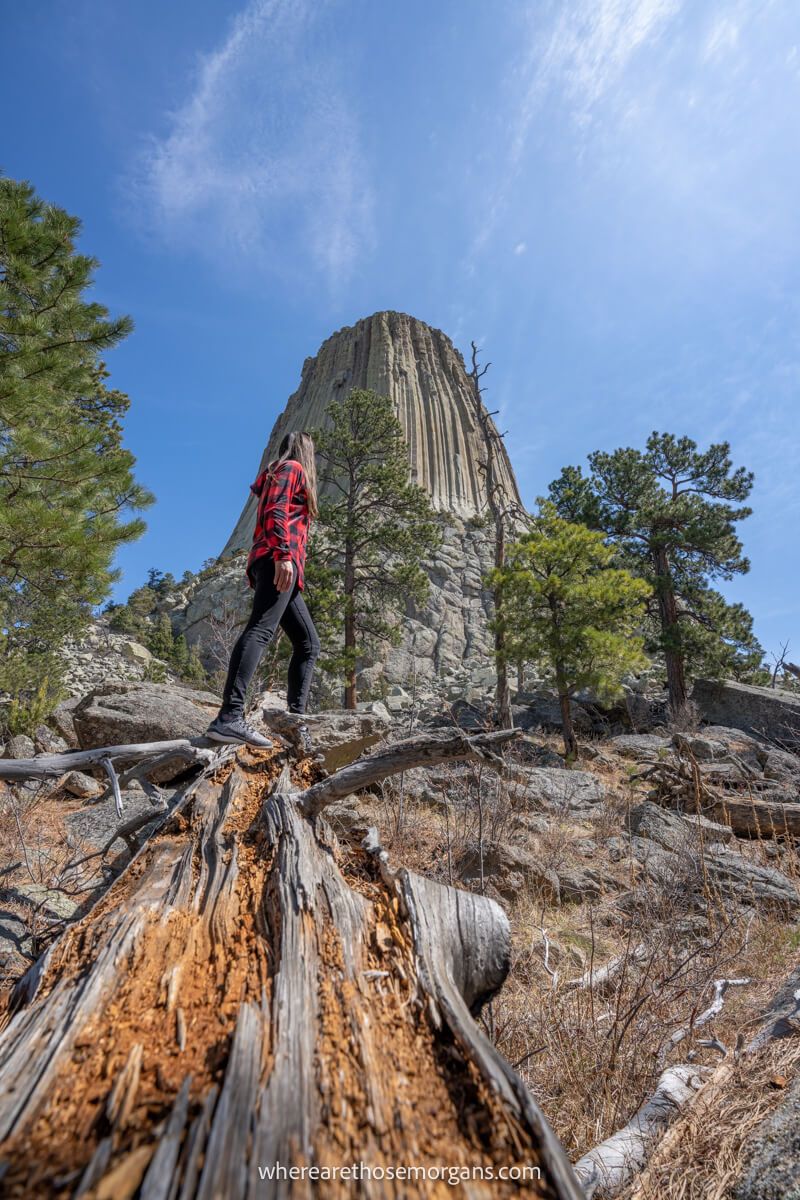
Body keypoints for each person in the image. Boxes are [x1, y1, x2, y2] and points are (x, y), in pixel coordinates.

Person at [206, 430, 321, 749]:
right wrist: (285, 554)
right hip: (277, 559)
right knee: (260, 630)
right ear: (304, 451)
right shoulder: (292, 469)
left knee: (308, 643)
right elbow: (276, 510)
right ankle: (230, 717)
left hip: (278, 563)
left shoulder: (279, 471)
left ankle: (296, 725)